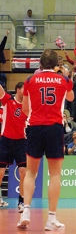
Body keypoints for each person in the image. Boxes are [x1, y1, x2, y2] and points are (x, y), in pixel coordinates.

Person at [17, 49, 74, 230]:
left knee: (31, 172)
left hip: (34, 127)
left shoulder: (29, 80)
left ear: (40, 64)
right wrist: (64, 75)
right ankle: (51, 219)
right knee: (55, 174)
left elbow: (25, 109)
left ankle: (25, 212)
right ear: (56, 64)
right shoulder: (64, 81)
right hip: (54, 128)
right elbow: (71, 97)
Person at [0, 82, 27, 212]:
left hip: (21, 142)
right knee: (0, 173)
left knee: (24, 172)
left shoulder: (28, 106)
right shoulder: (7, 100)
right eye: (24, 89)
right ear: (18, 90)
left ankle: (21, 202)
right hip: (5, 140)